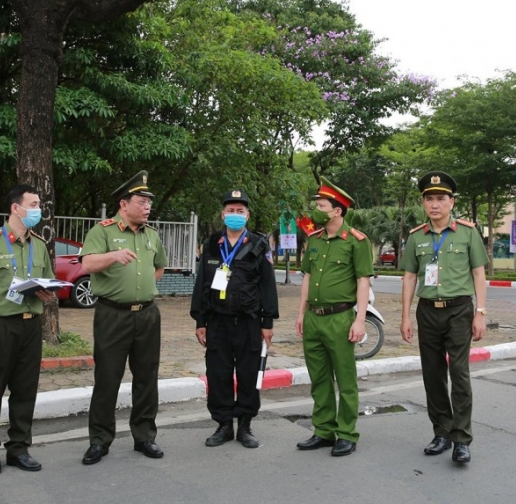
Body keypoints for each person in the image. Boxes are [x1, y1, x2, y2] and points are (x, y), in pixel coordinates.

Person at [79, 171, 168, 465]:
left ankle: (144, 437)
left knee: (146, 378)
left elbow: (159, 267)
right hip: (112, 315)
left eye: (148, 203)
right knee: (107, 378)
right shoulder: (102, 231)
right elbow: (87, 263)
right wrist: (113, 257)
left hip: (146, 316)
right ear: (123, 204)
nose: (147, 207)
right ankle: (99, 441)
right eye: (141, 201)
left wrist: (143, 290)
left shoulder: (152, 234)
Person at [399, 171, 488, 464]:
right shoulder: (416, 237)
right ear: (423, 203)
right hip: (427, 311)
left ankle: (461, 438)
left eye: (440, 198)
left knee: (459, 374)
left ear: (451, 202)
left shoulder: (468, 232)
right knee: (433, 375)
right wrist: (405, 317)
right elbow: (410, 277)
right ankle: (441, 432)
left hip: (460, 310)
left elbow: (478, 273)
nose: (434, 204)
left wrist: (481, 312)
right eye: (429, 199)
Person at [0, 184, 56, 475]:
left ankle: (19, 447)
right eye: (33, 204)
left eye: (39, 204)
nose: (38, 210)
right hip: (1, 326)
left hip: (31, 326)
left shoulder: (39, 245)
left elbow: (47, 284)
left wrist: (46, 293)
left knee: (25, 390)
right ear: (15, 208)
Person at [190, 190, 279, 449]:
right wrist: (200, 321)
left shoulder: (259, 244)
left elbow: (267, 285)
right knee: (218, 374)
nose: (235, 215)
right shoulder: (211, 243)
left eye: (240, 211)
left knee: (248, 374)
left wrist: (268, 323)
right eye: (231, 211)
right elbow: (202, 284)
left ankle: (245, 426)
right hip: (218, 322)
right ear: (223, 214)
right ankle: (224, 425)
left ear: (248, 215)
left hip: (249, 322)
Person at [294, 177, 374, 457]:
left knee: (345, 378)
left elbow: (364, 280)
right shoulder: (314, 240)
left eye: (321, 205)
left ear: (337, 210)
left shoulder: (357, 241)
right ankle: (324, 430)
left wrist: (360, 319)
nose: (316, 209)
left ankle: (347, 433)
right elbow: (307, 277)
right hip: (314, 318)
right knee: (319, 378)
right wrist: (301, 312)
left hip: (340, 318)